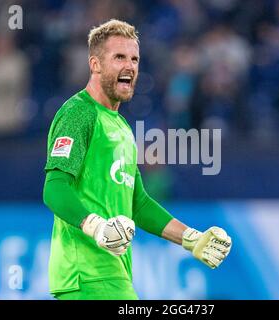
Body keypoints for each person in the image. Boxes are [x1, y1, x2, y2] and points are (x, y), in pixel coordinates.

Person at [43, 19, 232, 300]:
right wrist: (96, 226)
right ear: (95, 64)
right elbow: (54, 189)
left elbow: (138, 203)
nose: (129, 66)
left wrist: (191, 238)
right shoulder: (79, 113)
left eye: (134, 59)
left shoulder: (121, 128)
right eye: (119, 57)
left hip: (111, 275)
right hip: (87, 275)